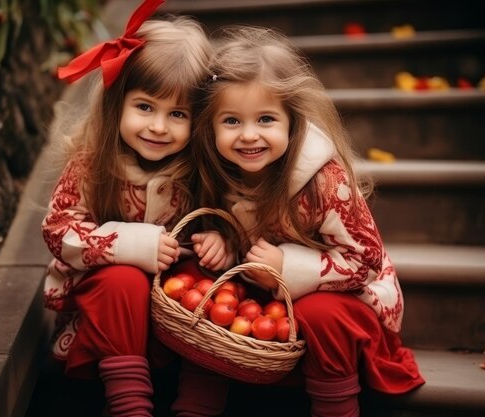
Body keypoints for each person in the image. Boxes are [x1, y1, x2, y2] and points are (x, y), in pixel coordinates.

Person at [191, 26, 425, 417]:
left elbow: (365, 262)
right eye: (231, 121)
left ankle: (335, 407)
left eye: (266, 119)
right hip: (272, 302)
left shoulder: (322, 182)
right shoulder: (220, 172)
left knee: (319, 313)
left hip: (350, 302)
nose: (249, 135)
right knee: (206, 290)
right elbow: (244, 239)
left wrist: (287, 267)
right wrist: (224, 243)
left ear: (291, 120)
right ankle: (196, 405)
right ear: (211, 126)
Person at [40, 1, 225, 415]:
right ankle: (128, 404)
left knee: (212, 281)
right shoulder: (93, 162)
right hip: (110, 308)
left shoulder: (200, 170)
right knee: (122, 279)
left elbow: (228, 217)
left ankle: (199, 402)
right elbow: (58, 229)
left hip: (179, 308)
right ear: (118, 101)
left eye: (177, 114)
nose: (159, 127)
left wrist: (220, 240)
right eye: (145, 107)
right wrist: (129, 244)